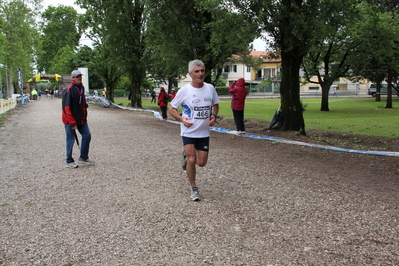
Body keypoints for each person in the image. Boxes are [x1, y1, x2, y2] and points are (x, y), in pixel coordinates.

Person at [169, 59, 220, 201]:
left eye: (202, 71)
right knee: (192, 159)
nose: (200, 74)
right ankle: (194, 188)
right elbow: (172, 109)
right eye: (197, 71)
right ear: (190, 74)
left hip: (203, 132)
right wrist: (181, 119)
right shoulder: (184, 91)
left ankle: (187, 157)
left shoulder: (210, 88)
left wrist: (213, 115)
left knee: (201, 162)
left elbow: (215, 105)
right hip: (188, 131)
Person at [62, 70, 94, 168]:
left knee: (87, 135)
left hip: (81, 119)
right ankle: (69, 160)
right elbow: (66, 107)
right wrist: (72, 123)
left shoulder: (81, 88)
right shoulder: (69, 89)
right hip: (70, 119)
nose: (79, 78)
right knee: (71, 139)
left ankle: (83, 157)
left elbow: (81, 102)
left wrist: (84, 107)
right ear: (73, 78)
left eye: (80, 76)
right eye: (77, 76)